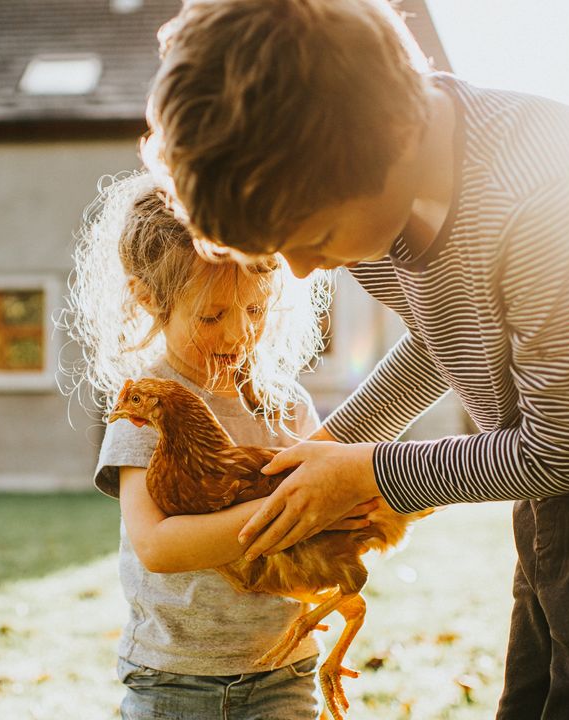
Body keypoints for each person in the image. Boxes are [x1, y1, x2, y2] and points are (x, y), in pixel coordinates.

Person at [140, 1, 569, 717]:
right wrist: (328, 448)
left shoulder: (546, 196)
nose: (304, 270)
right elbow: (445, 333)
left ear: (392, 138)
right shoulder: (371, 208)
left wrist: (369, 472)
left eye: (315, 235)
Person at [65, 171, 366, 719]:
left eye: (253, 310)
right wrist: (286, 509)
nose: (236, 334)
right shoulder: (146, 408)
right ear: (148, 299)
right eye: (211, 315)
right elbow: (157, 546)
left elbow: (322, 509)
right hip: (175, 675)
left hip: (283, 666)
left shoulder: (283, 401)